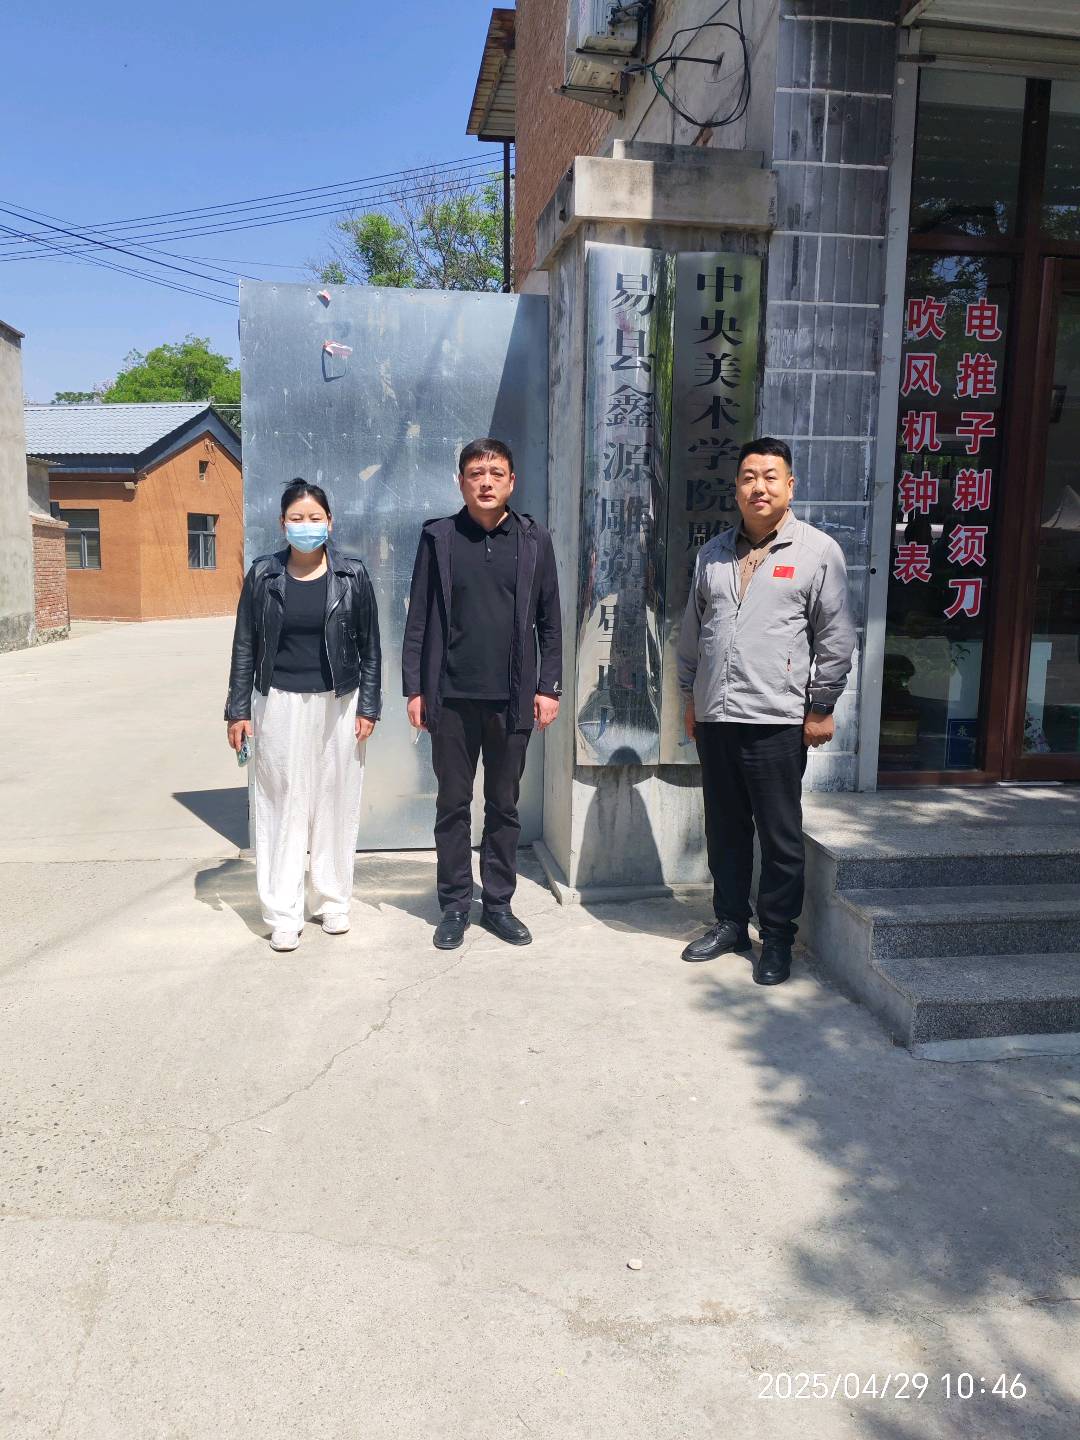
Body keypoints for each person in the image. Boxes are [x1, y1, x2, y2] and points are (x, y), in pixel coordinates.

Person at [677, 438, 855, 985]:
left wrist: (821, 705)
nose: (759, 487)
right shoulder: (713, 554)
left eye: (770, 476)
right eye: (749, 477)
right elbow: (693, 633)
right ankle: (731, 922)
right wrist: (690, 697)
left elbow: (836, 636)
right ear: (736, 488)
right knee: (725, 829)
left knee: (779, 836)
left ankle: (777, 937)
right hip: (717, 717)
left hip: (777, 720)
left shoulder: (817, 552)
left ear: (790, 486)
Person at [403, 438, 562, 951]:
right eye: (476, 473)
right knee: (452, 804)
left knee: (503, 805)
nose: (486, 482)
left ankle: (497, 903)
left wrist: (548, 686)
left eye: (496, 473)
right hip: (449, 696)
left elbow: (550, 620)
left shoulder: (534, 539)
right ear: (461, 482)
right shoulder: (439, 538)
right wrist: (414, 688)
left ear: (512, 481)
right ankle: (454, 905)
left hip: (511, 698)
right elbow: (418, 617)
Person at [225, 480, 382, 952]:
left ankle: (332, 900)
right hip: (277, 703)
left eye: (315, 518)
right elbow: (245, 644)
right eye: (297, 518)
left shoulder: (352, 575)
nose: (306, 526)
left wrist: (369, 706)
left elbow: (371, 647)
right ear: (282, 523)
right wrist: (238, 709)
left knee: (335, 801)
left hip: (340, 702)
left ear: (330, 523)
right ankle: (283, 911)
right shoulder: (263, 575)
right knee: (282, 805)